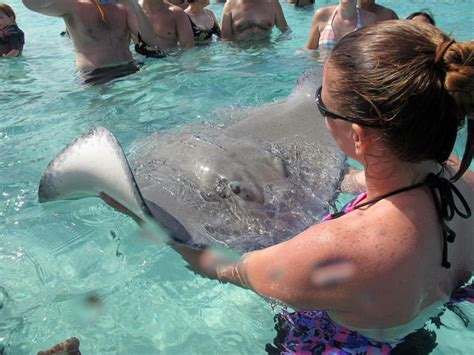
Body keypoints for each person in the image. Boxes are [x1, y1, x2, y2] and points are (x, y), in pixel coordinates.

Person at [168, 20, 474, 353]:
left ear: (357, 136)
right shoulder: (464, 179)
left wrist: (135, 208)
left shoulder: (336, 249)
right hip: (421, 324)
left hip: (343, 344)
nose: (319, 115)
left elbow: (224, 268)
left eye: (322, 106)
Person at [22, 0, 158, 84]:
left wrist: (135, 5)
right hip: (94, 77)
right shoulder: (74, 6)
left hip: (129, 70)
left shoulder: (123, 8)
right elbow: (32, 3)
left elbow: (150, 41)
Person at [305, 0, 377, 50]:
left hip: (354, 71)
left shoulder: (370, 19)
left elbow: (373, 54)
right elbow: (310, 51)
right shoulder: (322, 15)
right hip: (322, 70)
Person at [220, 0, 289, 41]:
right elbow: (225, 38)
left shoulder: (273, 3)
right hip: (241, 55)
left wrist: (277, 44)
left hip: (267, 54)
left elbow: (285, 31)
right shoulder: (230, 5)